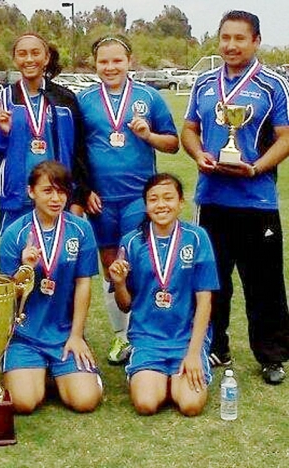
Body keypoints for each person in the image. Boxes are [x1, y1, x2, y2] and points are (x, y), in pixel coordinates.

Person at [181, 10, 289, 385]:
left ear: (256, 40)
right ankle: (216, 345)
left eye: (239, 38)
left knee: (264, 282)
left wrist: (257, 167)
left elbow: (285, 138)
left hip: (256, 200)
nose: (230, 45)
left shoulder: (272, 84)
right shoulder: (204, 83)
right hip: (211, 199)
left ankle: (272, 355)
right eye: (225, 37)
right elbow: (189, 130)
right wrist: (198, 155)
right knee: (213, 280)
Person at [77, 35, 179, 365]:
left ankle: (143, 335)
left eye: (117, 60)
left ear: (129, 61)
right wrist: (85, 189)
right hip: (100, 199)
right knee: (111, 266)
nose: (110, 67)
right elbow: (76, 152)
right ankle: (122, 338)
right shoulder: (85, 100)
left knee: (137, 265)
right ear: (95, 65)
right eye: (103, 62)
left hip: (139, 197)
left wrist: (148, 135)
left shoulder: (149, 97)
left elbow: (173, 144)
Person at [109, 174, 219, 416]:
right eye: (153, 199)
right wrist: (119, 284)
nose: (161, 205)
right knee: (146, 404)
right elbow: (125, 305)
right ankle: (158, 377)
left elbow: (204, 302)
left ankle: (175, 375)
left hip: (185, 340)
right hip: (148, 340)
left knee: (190, 406)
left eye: (168, 198)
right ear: (146, 205)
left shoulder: (197, 238)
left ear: (181, 202)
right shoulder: (131, 242)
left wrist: (193, 354)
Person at [0, 161, 102, 414]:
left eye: (62, 191)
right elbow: (8, 296)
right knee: (24, 403)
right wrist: (25, 269)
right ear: (31, 191)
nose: (56, 198)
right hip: (24, 337)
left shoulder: (81, 229)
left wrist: (76, 335)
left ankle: (61, 371)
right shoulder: (14, 234)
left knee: (85, 401)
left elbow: (83, 284)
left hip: (64, 335)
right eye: (47, 191)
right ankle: (38, 372)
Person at [0, 33, 90, 236]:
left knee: (57, 259)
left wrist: (78, 199)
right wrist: (3, 134)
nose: (29, 59)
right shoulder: (3, 99)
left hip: (58, 197)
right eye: (22, 54)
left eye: (35, 53)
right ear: (15, 59)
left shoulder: (65, 100)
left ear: (46, 57)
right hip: (16, 198)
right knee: (16, 262)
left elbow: (79, 153)